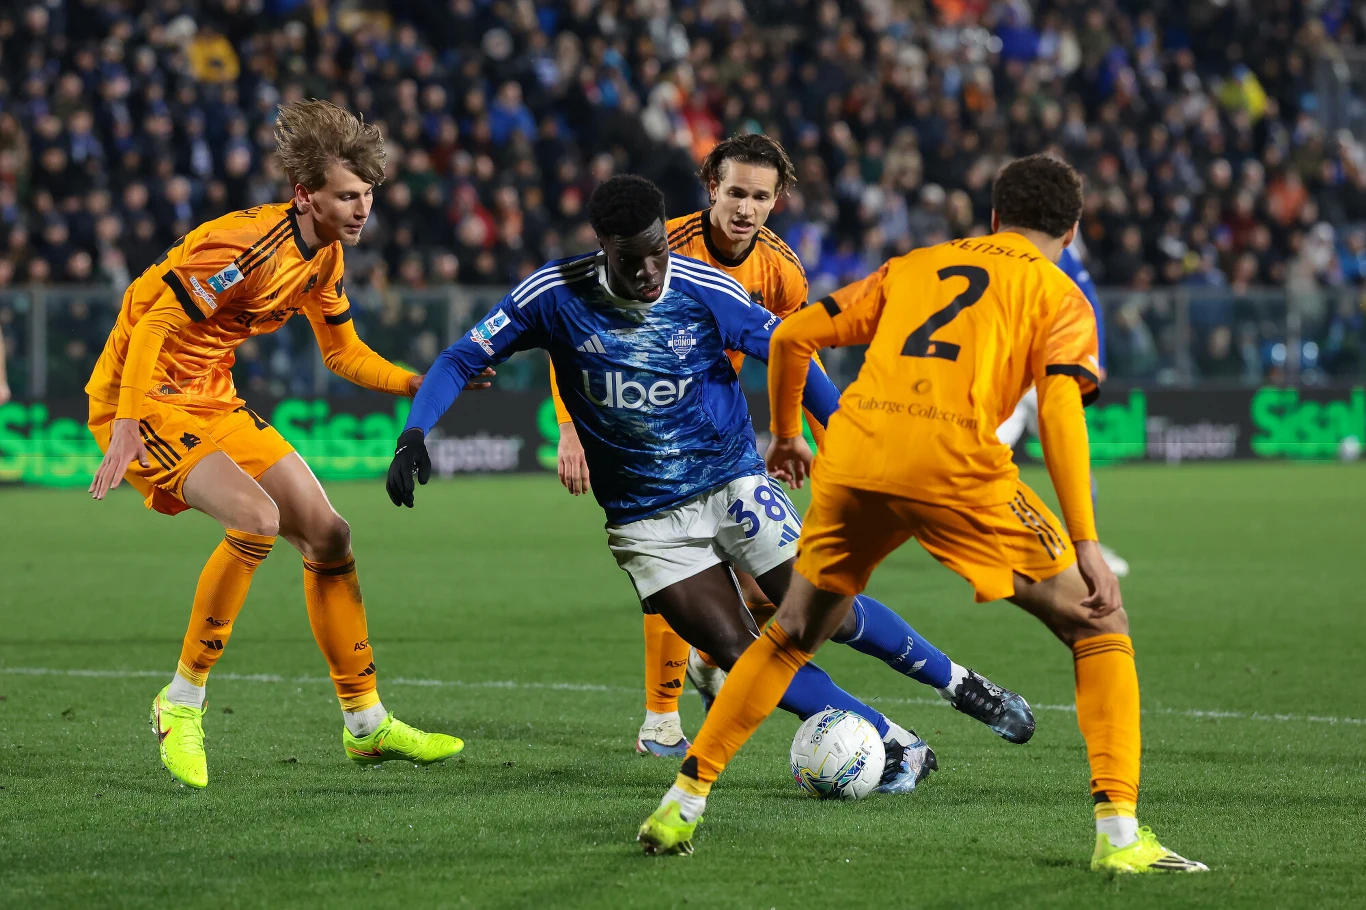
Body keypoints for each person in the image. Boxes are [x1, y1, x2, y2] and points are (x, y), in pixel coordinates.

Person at [638, 155, 1208, 875]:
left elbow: (789, 337)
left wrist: (786, 434)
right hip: (954, 465)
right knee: (1099, 625)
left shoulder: (918, 264)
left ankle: (683, 801)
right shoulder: (1060, 293)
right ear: (1072, 229)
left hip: (856, 455)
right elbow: (1061, 405)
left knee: (788, 635)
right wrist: (1086, 540)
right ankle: (1120, 836)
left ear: (996, 218)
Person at [387, 173, 989, 795]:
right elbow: (463, 355)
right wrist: (415, 431)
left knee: (824, 612)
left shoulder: (705, 290)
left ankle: (960, 683)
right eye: (631, 259)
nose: (650, 269)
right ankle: (888, 735)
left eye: (658, 251)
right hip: (645, 520)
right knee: (738, 647)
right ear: (602, 248)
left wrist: (843, 430)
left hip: (733, 483)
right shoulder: (553, 293)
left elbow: (790, 347)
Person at [550, 135, 1028, 758]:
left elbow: (794, 352)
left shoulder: (781, 269)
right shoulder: (657, 243)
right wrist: (568, 427)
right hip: (643, 432)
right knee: (679, 574)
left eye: (759, 196)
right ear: (711, 188)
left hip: (715, 432)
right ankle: (663, 718)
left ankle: (957, 684)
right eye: (734, 192)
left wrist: (819, 437)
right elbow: (574, 326)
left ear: (777, 201)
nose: (744, 208)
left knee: (803, 597)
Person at [85, 100, 480, 789]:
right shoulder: (244, 246)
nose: (363, 210)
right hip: (142, 394)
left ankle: (365, 725)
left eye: (368, 196)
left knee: (329, 534)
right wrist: (123, 424)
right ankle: (179, 703)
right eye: (347, 197)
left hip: (211, 394)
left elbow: (343, 354)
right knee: (258, 519)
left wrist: (421, 381)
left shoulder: (323, 256)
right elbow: (151, 324)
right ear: (305, 196)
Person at [996, 243, 1130, 576]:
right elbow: (1089, 300)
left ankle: (976, 540)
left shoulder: (1001, 249)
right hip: (1044, 373)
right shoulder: (1058, 251)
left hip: (1012, 372)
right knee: (1074, 464)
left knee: (978, 456)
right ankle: (1087, 548)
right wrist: (1097, 359)